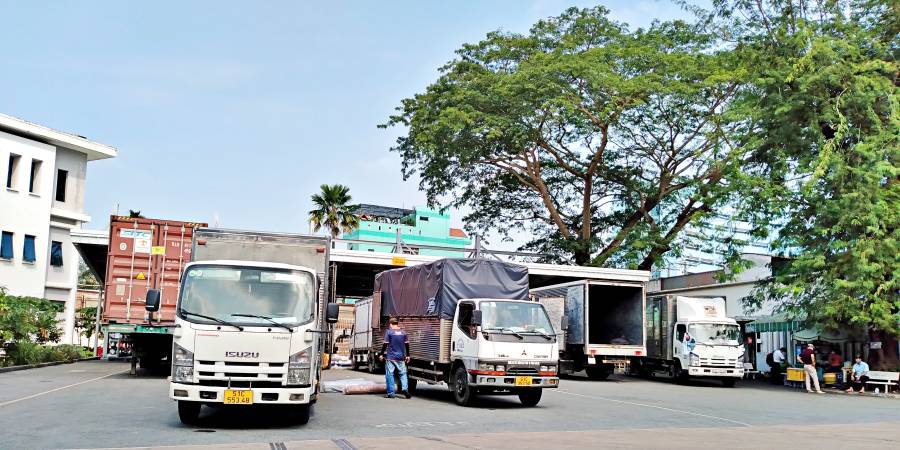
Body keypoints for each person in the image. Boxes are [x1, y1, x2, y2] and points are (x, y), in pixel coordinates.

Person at [380, 317, 411, 399]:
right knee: (403, 374)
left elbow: (385, 344)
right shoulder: (403, 332)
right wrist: (408, 355)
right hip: (401, 357)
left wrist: (381, 354)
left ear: (390, 324)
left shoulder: (389, 332)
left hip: (391, 357)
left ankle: (391, 393)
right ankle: (404, 389)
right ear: (397, 324)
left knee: (390, 374)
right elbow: (407, 344)